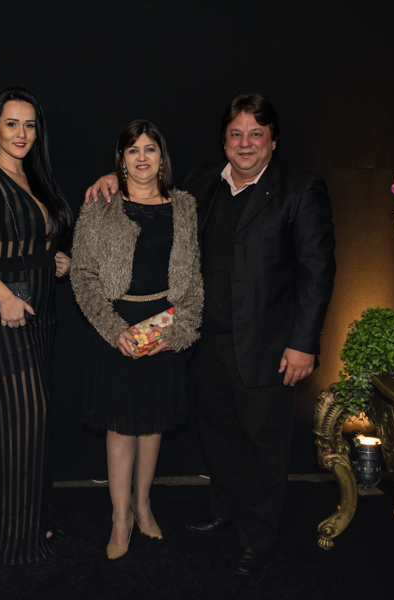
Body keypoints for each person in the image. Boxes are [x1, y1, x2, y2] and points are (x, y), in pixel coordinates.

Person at [86, 92, 335, 576]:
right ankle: (225, 510)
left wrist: (304, 342)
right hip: (204, 342)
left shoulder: (300, 189)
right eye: (236, 134)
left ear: (273, 141)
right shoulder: (202, 183)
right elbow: (147, 185)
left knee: (263, 446)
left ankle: (257, 537)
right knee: (219, 436)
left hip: (267, 346)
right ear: (224, 141)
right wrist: (111, 178)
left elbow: (317, 270)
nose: (246, 143)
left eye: (256, 134)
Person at [71, 120, 203, 560]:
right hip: (116, 326)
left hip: (163, 325)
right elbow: (82, 274)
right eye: (133, 150)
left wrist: (179, 332)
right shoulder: (100, 205)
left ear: (161, 157)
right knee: (120, 427)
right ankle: (119, 518)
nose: (142, 157)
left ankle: (143, 506)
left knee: (152, 424)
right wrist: (114, 330)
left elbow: (194, 278)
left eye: (150, 149)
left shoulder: (184, 206)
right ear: (121, 160)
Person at [0, 87, 73, 566]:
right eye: (11, 123)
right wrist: (3, 297)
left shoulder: (34, 177)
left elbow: (29, 240)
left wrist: (54, 258)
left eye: (29, 125)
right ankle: (16, 542)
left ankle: (18, 522)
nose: (21, 133)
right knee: (28, 415)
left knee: (15, 423)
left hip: (39, 313)